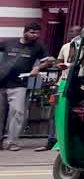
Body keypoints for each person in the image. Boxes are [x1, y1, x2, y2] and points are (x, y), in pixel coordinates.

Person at [0, 22, 54, 150]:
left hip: (20, 84)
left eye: (37, 33)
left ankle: (11, 142)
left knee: (17, 113)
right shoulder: (9, 43)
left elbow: (50, 61)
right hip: (1, 83)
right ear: (25, 32)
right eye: (32, 32)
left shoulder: (38, 47)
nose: (36, 35)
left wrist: (38, 67)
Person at [37, 25, 82, 152]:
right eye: (71, 31)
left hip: (79, 83)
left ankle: (67, 141)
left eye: (76, 31)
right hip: (62, 82)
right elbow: (59, 61)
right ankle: (51, 141)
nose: (73, 33)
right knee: (55, 113)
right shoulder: (66, 46)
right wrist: (57, 64)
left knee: (74, 113)